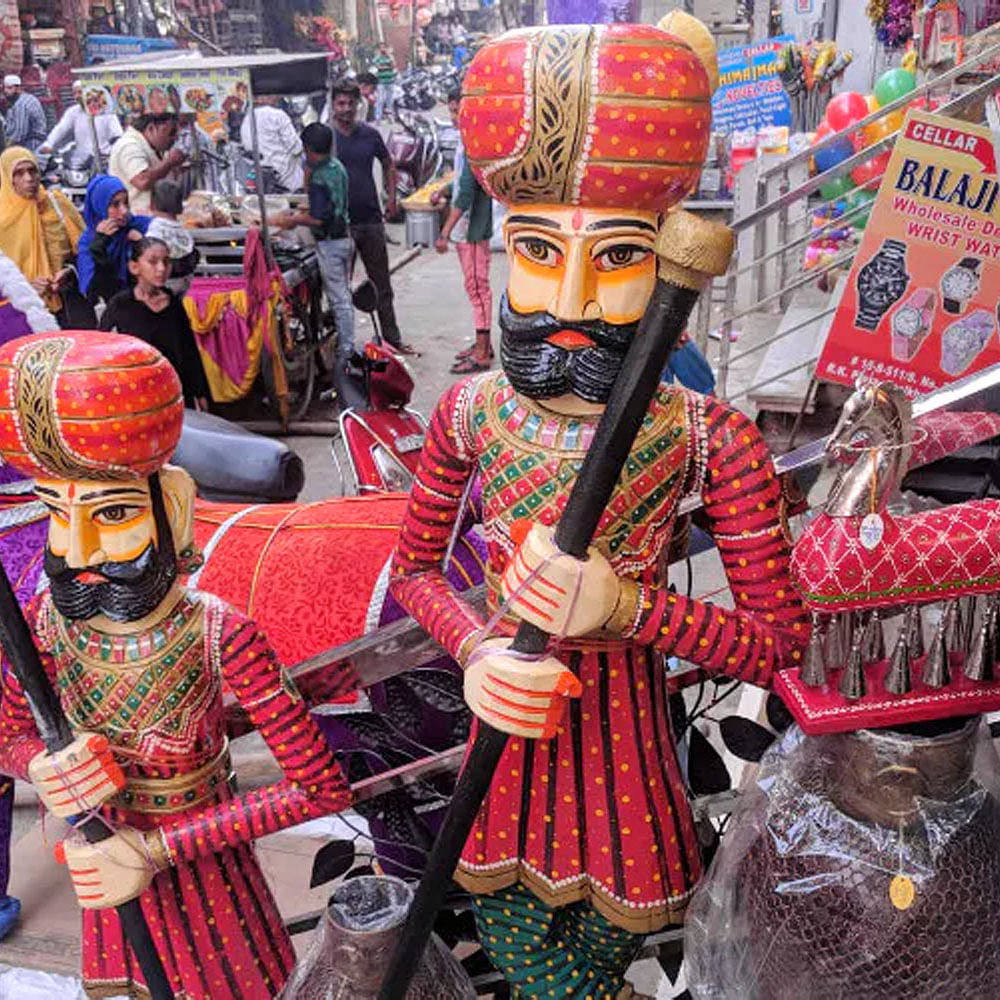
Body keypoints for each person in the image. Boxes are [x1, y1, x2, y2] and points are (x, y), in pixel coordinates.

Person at [388, 21, 808, 999]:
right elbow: (413, 569)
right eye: (537, 250)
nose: (568, 298)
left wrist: (627, 607)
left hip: (622, 768)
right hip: (500, 750)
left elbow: (778, 643)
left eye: (613, 258)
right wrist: (474, 648)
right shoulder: (467, 410)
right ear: (499, 253)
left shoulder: (710, 435)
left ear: (661, 255)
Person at [0, 329, 352, 998]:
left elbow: (320, 789)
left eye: (114, 515)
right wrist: (38, 765)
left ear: (176, 508)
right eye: (57, 516)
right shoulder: (47, 622)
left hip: (207, 878)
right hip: (105, 866)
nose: (77, 552)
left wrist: (156, 851)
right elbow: (9, 732)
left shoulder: (219, 632)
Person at [330, 79, 414, 354]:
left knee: (381, 285)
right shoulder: (326, 138)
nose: (345, 109)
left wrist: (391, 199)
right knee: (341, 292)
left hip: (370, 219)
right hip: (340, 226)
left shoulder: (369, 134)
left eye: (350, 103)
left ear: (358, 105)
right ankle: (344, 348)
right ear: (333, 105)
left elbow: (389, 163)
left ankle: (392, 340)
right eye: (340, 103)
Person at [276, 124, 354, 380]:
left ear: (308, 149)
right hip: (344, 238)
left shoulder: (321, 176)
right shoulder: (336, 167)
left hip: (330, 243)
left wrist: (294, 220)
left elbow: (319, 219)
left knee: (339, 300)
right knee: (342, 296)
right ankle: (344, 348)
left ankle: (346, 353)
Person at [100, 237, 209, 409]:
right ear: (134, 267)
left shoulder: (173, 304)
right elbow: (103, 352)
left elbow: (188, 351)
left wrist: (200, 392)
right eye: (153, 262)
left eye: (166, 262)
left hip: (173, 392)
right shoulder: (120, 305)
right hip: (137, 395)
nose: (161, 269)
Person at [434, 90, 494, 374]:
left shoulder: (473, 146)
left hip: (471, 229)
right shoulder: (466, 143)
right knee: (476, 288)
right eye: (452, 111)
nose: (455, 117)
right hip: (468, 227)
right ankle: (484, 344)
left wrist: (444, 231)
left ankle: (482, 353)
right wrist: (444, 189)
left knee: (477, 289)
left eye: (459, 111)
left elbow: (467, 193)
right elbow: (461, 182)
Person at [0, 146, 90, 325]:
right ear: (7, 178)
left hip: (69, 305)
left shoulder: (57, 204)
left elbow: (87, 249)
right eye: (19, 173)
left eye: (32, 170)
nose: (29, 178)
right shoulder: (3, 219)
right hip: (22, 316)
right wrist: (24, 288)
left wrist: (70, 272)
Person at [77, 173, 150, 307]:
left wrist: (142, 243)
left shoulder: (141, 226)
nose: (124, 211)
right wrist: (100, 247)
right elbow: (93, 293)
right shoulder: (89, 241)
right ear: (99, 206)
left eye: (126, 202)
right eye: (115, 205)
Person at [108, 111, 186, 214]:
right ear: (151, 128)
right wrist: (169, 163)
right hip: (137, 218)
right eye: (171, 133)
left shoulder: (152, 147)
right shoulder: (130, 146)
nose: (175, 138)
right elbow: (141, 181)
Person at [39, 80, 123, 170]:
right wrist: (48, 144)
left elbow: (118, 136)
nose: (77, 96)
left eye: (80, 92)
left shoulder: (107, 112)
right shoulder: (73, 111)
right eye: (74, 93)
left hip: (105, 161)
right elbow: (60, 129)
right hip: (82, 161)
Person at [239, 94, 304, 193]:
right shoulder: (278, 115)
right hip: (286, 184)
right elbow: (296, 148)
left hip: (260, 183)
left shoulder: (247, 119)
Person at [147, 178, 199, 296]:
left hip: (164, 281)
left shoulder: (154, 229)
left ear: (152, 204)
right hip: (185, 280)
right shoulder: (183, 230)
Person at [1, 75, 46, 152]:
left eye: (9, 88)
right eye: (5, 88)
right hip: (25, 143)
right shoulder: (17, 102)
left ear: (18, 89)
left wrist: (4, 149)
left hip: (32, 144)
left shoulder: (22, 103)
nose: (6, 92)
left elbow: (19, 135)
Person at [372, 41, 397, 123]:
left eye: (384, 47)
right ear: (379, 49)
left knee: (389, 100)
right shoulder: (377, 58)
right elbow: (379, 67)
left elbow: (393, 65)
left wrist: (389, 58)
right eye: (381, 47)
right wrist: (387, 66)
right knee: (380, 100)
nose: (383, 49)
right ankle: (378, 118)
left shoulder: (390, 57)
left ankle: (390, 117)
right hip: (381, 82)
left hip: (390, 80)